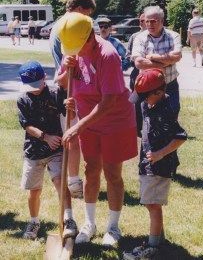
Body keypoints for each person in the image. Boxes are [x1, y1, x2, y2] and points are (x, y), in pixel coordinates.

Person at [57, 12, 138, 246]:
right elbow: (62, 82)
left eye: (77, 47)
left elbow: (109, 101)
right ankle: (89, 224)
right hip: (88, 121)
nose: (74, 51)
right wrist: (66, 71)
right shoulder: (73, 50)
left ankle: (113, 227)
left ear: (90, 37)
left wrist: (77, 127)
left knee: (113, 174)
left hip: (114, 121)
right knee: (91, 170)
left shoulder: (108, 55)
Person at [123, 69, 187, 260]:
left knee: (153, 205)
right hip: (147, 163)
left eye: (145, 96)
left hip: (160, 165)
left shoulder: (167, 110)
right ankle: (159, 240)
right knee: (151, 203)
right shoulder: (146, 105)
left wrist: (159, 154)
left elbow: (179, 137)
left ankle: (152, 248)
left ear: (158, 93)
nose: (142, 100)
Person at [17, 61, 78, 240]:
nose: (34, 89)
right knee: (34, 190)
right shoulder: (23, 99)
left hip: (55, 150)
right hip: (34, 150)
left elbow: (70, 116)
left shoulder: (55, 93)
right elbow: (27, 126)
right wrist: (46, 137)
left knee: (60, 182)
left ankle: (68, 219)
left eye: (37, 85)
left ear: (44, 78)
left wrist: (71, 108)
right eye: (31, 86)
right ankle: (34, 221)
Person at [50, 0, 96, 198]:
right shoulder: (68, 28)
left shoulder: (58, 24)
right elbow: (68, 66)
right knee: (73, 137)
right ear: (79, 10)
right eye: (87, 15)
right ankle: (74, 183)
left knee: (72, 136)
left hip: (67, 84)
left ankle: (73, 181)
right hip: (69, 86)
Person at [132, 6, 182, 118]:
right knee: (144, 117)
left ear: (162, 21)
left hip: (169, 84)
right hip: (146, 85)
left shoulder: (174, 36)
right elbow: (139, 62)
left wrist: (152, 56)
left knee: (172, 112)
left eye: (153, 21)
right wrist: (166, 62)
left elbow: (177, 56)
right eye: (147, 21)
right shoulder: (140, 38)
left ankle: (170, 135)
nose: (149, 24)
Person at [126, 13, 146, 137]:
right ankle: (137, 127)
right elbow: (128, 55)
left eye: (143, 20)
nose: (141, 22)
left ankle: (148, 125)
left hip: (149, 72)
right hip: (136, 72)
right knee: (136, 100)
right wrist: (136, 59)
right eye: (140, 20)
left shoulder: (153, 35)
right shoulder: (134, 36)